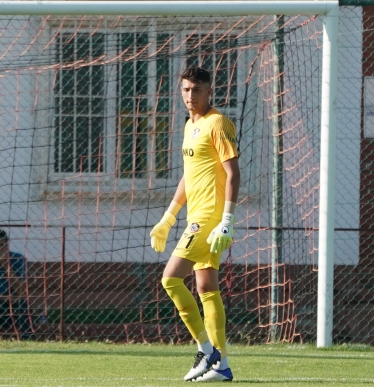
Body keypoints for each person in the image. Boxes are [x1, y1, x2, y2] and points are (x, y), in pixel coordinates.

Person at [149, 66, 240, 382]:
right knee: (206, 289)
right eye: (186, 89)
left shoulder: (218, 123)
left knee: (170, 280)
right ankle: (222, 366)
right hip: (194, 215)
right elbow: (189, 176)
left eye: (197, 90)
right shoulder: (190, 125)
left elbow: (232, 173)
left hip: (208, 219)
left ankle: (206, 349)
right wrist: (168, 218)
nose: (190, 96)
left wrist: (226, 220)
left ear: (208, 90)